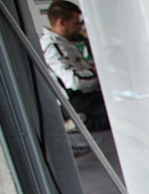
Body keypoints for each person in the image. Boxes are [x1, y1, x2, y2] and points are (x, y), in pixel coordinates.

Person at [39, 1, 108, 131]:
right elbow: (73, 81)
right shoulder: (52, 46)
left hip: (88, 97)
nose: (79, 28)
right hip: (76, 102)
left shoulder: (65, 42)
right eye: (75, 23)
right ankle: (81, 122)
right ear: (62, 23)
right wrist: (95, 72)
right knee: (118, 112)